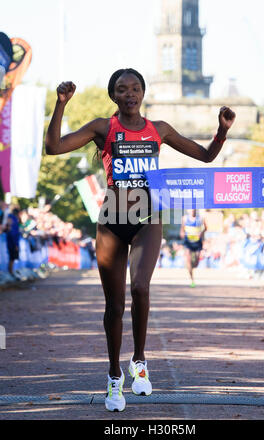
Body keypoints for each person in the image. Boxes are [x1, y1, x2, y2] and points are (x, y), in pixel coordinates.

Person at [45, 68, 235, 412]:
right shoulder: (103, 127)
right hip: (113, 218)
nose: (129, 94)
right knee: (114, 306)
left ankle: (140, 361)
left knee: (141, 288)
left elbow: (206, 156)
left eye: (135, 88)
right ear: (113, 95)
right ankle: (114, 376)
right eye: (122, 89)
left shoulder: (158, 130)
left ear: (143, 93)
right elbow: (53, 147)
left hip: (149, 217)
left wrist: (221, 131)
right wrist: (61, 104)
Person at [180, 209, 206, 287]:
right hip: (188, 243)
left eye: (194, 210)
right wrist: (182, 234)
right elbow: (182, 229)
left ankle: (192, 266)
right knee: (188, 259)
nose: (192, 211)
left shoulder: (200, 219)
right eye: (191, 210)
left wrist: (201, 233)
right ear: (188, 211)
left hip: (197, 243)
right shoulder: (184, 218)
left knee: (196, 262)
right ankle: (192, 279)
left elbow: (205, 228)